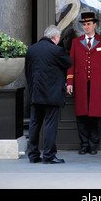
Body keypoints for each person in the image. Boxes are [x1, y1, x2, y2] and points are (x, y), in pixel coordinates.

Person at [66, 12, 101, 155]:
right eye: (84, 25)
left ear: (94, 25)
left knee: (95, 116)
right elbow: (71, 64)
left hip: (97, 85)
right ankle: (84, 144)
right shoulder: (76, 42)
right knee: (81, 116)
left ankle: (93, 145)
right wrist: (69, 82)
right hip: (80, 84)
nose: (86, 27)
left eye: (88, 24)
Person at [25, 25, 72, 164]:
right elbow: (69, 63)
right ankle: (49, 155)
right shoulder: (56, 50)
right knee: (50, 125)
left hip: (36, 93)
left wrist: (32, 89)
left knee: (34, 124)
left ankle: (33, 155)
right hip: (52, 95)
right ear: (56, 37)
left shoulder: (32, 49)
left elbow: (27, 71)